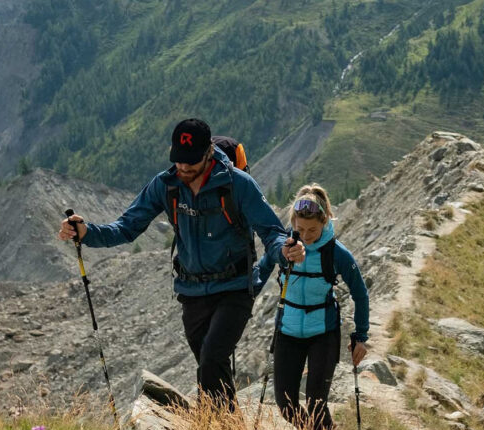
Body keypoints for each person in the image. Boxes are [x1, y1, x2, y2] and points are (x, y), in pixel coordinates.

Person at [59, 118, 305, 412]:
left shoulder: (238, 185)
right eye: (178, 161)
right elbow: (126, 228)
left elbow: (271, 233)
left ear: (208, 152)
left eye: (190, 162)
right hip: (192, 291)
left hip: (235, 288)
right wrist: (87, 233)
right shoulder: (165, 185)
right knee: (210, 368)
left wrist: (285, 252)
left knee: (212, 359)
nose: (183, 169)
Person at [258, 184, 369, 430]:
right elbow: (262, 269)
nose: (305, 236)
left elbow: (360, 293)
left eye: (312, 231)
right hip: (289, 332)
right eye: (300, 229)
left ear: (324, 222)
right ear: (293, 224)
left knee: (318, 403)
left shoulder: (336, 253)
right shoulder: (285, 247)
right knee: (285, 404)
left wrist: (361, 336)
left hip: (324, 333)